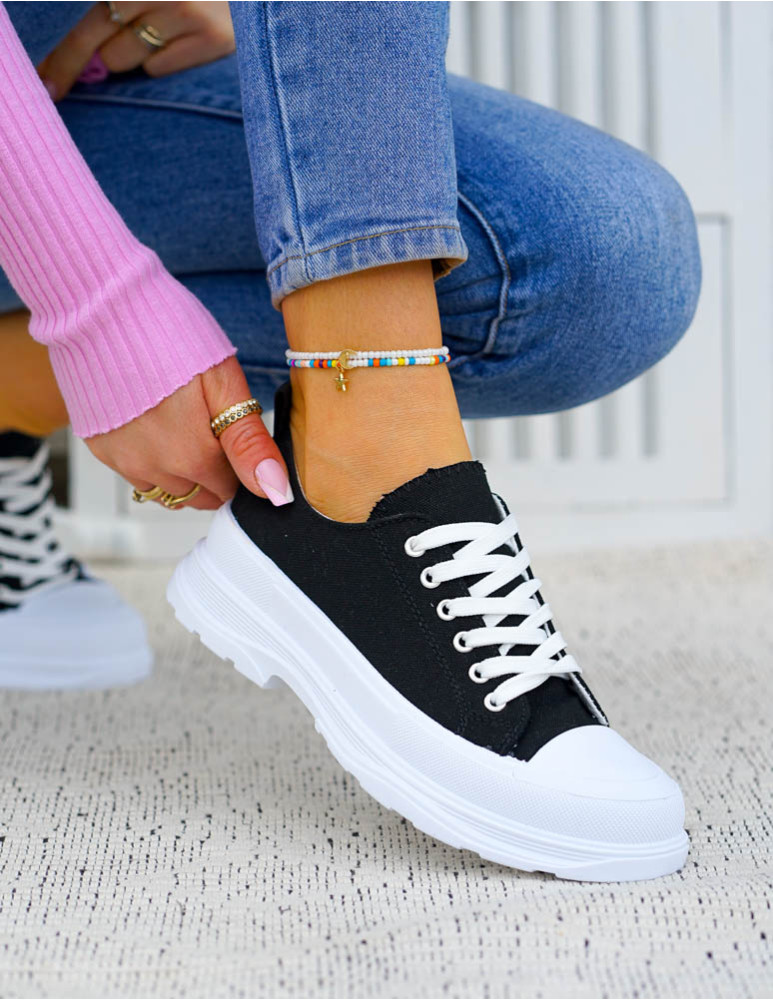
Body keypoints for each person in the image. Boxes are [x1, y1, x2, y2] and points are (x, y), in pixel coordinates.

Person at [0, 1, 701, 880]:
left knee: (604, 259)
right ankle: (374, 476)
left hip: (80, 75)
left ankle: (339, 465)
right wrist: (98, 308)